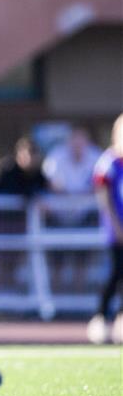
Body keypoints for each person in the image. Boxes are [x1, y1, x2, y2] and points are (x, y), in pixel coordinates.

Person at [87, 113, 123, 345]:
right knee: (115, 272)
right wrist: (116, 226)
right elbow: (104, 197)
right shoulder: (109, 161)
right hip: (115, 230)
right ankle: (100, 316)